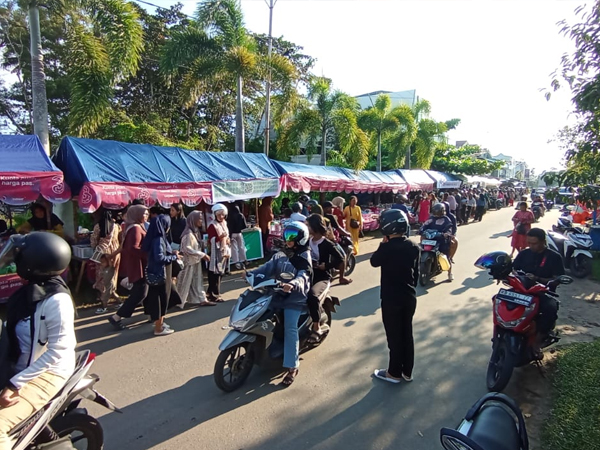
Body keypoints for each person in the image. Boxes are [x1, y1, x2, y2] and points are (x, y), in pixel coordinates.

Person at [0, 232, 76, 450]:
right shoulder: (29, 292)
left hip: (48, 371)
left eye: (20, 257)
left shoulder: (56, 300)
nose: (16, 261)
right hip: (23, 364)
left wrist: (15, 384)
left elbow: (57, 352)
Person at [246, 221, 311, 386]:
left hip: (294, 298)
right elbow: (267, 267)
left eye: (292, 237)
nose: (287, 240)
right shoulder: (281, 254)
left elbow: (304, 275)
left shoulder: (304, 255)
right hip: (276, 293)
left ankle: (292, 366)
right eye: (286, 235)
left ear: (301, 239)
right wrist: (251, 273)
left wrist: (293, 284)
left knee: (290, 328)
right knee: (257, 315)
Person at [371, 209, 419, 384]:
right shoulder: (414, 246)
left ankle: (393, 373)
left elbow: (374, 261)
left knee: (394, 336)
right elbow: (416, 275)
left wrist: (383, 245)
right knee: (407, 333)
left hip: (392, 298)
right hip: (409, 297)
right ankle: (407, 371)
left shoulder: (387, 248)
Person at [513, 228, 565, 346]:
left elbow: (557, 279)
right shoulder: (523, 254)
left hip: (543, 293)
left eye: (534, 243)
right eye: (529, 243)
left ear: (543, 242)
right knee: (500, 300)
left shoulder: (554, 257)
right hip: (521, 291)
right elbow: (514, 269)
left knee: (550, 309)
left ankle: (538, 340)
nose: (531, 246)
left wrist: (537, 279)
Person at [306, 214, 346, 343]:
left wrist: (326, 266)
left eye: (308, 225)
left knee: (312, 296)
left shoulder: (327, 244)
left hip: (321, 277)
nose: (306, 228)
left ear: (315, 227)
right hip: (306, 275)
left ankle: (316, 327)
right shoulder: (307, 241)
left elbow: (341, 258)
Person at [109, 205, 149, 330]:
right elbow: (133, 248)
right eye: (144, 214)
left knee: (143, 292)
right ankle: (117, 317)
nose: (146, 216)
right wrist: (148, 254)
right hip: (138, 265)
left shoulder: (134, 226)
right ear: (137, 214)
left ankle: (152, 315)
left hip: (138, 264)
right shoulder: (136, 229)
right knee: (139, 293)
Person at [143, 214, 180, 336]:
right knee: (160, 300)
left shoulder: (156, 237)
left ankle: (160, 323)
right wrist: (174, 257)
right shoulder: (159, 239)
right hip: (160, 273)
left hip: (158, 273)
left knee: (162, 298)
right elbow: (159, 257)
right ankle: (158, 328)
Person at [177, 210, 215, 308]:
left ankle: (201, 299)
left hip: (194, 261)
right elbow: (187, 248)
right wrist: (202, 254)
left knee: (197, 281)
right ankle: (177, 301)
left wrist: (203, 244)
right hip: (188, 262)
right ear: (194, 220)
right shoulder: (188, 233)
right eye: (200, 219)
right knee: (185, 282)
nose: (201, 221)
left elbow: (195, 244)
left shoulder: (195, 231)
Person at [90, 209, 121, 314]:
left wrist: (96, 247)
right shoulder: (116, 226)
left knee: (102, 277)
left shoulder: (98, 226)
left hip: (103, 255)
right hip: (115, 254)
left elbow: (94, 241)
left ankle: (104, 303)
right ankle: (116, 298)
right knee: (112, 276)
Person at [420, 203, 455, 281]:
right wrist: (421, 230)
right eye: (435, 212)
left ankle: (449, 273)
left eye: (438, 212)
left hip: (441, 240)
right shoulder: (431, 218)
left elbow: (449, 229)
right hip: (430, 240)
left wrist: (447, 234)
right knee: (420, 250)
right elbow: (425, 225)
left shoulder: (446, 219)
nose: (436, 214)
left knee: (446, 256)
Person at [322, 201, 353, 285]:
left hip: (317, 241)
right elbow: (338, 228)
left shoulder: (316, 217)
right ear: (327, 209)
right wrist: (347, 233)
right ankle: (341, 278)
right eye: (331, 208)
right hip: (329, 241)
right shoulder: (330, 217)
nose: (332, 210)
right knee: (343, 257)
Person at [207, 204, 231, 302]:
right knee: (215, 274)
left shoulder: (224, 223)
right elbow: (211, 239)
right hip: (215, 253)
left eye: (223, 215)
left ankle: (210, 292)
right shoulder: (212, 225)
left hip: (223, 252)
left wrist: (227, 239)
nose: (221, 217)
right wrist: (220, 238)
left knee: (220, 274)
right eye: (219, 215)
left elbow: (227, 235)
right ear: (214, 215)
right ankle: (215, 295)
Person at [227, 203, 247, 269]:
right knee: (241, 246)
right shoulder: (241, 215)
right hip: (239, 233)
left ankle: (236, 262)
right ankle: (244, 260)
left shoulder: (230, 216)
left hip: (232, 234)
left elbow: (229, 226)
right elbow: (245, 226)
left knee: (234, 248)